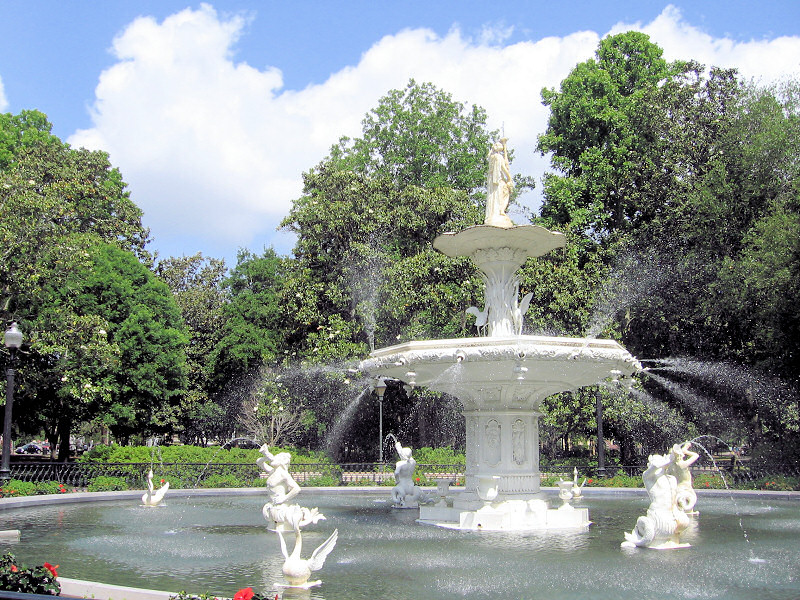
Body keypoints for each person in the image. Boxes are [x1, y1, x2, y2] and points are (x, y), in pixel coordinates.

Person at [485, 138, 514, 227]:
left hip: (492, 180)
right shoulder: (498, 157)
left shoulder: (492, 157)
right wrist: (509, 178)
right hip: (498, 179)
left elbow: (505, 164)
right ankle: (501, 211)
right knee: (505, 192)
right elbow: (504, 168)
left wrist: (505, 150)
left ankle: (496, 212)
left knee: (494, 196)